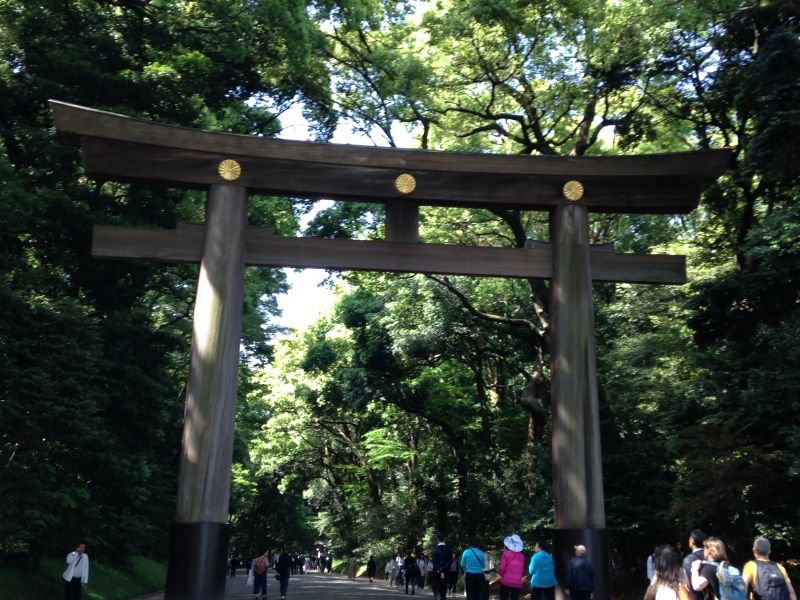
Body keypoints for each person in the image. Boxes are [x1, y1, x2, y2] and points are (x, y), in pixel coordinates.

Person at [498, 534, 525, 600]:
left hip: (506, 581)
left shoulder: (505, 554)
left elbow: (502, 568)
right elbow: (522, 569)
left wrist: (501, 575)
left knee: (504, 597)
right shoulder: (522, 556)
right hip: (517, 582)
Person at [683, 530, 707, 600]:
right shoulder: (712, 557)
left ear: (692, 540)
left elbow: (688, 584)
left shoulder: (689, 559)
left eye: (690, 539)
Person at [461, 535, 487, 600]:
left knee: (470, 593)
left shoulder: (466, 552)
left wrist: (465, 569)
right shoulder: (481, 553)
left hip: (469, 574)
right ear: (478, 543)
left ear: (470, 543)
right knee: (478, 592)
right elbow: (483, 566)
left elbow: (462, 564)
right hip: (479, 575)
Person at [431, 533, 454, 600]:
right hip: (446, 572)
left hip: (437, 571)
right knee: (443, 591)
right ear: (445, 539)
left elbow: (433, 561)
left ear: (437, 539)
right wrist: (443, 569)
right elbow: (450, 561)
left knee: (436, 590)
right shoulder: (449, 549)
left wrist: (439, 569)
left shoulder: (434, 549)